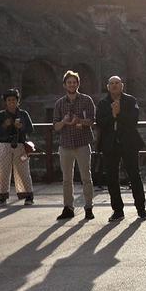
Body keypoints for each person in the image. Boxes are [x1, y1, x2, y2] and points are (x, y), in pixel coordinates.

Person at [96, 76, 146, 222]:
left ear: (122, 86)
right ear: (108, 87)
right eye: (111, 83)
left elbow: (133, 120)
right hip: (110, 144)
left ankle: (141, 209)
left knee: (134, 176)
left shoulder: (130, 101)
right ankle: (117, 211)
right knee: (112, 178)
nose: (114, 86)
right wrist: (113, 115)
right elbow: (100, 122)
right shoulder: (103, 103)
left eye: (117, 83)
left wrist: (119, 114)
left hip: (128, 143)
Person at [53, 70, 96, 221]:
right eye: (69, 82)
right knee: (66, 179)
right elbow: (56, 127)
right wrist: (64, 122)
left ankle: (88, 207)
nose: (72, 85)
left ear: (78, 84)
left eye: (74, 82)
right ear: (65, 85)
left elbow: (91, 121)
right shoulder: (59, 103)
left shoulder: (86, 100)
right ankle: (68, 207)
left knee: (86, 177)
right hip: (65, 145)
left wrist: (79, 121)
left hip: (82, 144)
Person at [0, 88, 35, 207]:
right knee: (2, 172)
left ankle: (28, 196)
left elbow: (30, 129)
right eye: (9, 100)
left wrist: (21, 127)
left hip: (20, 144)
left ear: (17, 101)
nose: (11, 102)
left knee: (23, 171)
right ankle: (1, 197)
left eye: (14, 100)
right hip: (4, 144)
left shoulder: (23, 114)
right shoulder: (1, 115)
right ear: (5, 102)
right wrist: (5, 125)